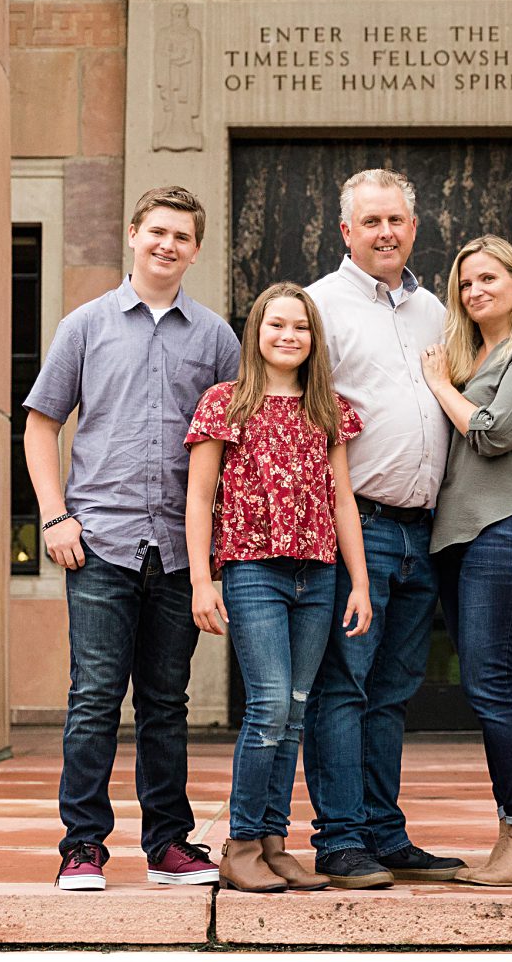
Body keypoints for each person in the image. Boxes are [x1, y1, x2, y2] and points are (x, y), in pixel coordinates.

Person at [21, 185, 239, 891]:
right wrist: (55, 516)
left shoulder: (215, 338)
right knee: (93, 698)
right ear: (133, 234)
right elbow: (41, 424)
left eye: (182, 237)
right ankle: (81, 847)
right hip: (101, 542)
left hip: (179, 547)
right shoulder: (84, 326)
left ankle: (169, 844)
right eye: (158, 232)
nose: (167, 245)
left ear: (195, 250)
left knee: (165, 703)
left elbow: (231, 444)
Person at [300, 168, 466, 889]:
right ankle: (340, 839)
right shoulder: (318, 305)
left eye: (396, 220)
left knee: (393, 692)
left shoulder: (436, 309)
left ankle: (384, 832)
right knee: (343, 687)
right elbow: (299, 414)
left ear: (414, 227)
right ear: (346, 231)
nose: (386, 232)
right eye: (371, 222)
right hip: (353, 529)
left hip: (420, 531)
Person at [183, 282, 374, 893]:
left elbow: (343, 499)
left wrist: (360, 583)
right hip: (253, 570)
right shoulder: (226, 403)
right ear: (256, 333)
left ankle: (272, 840)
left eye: (300, 327)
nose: (288, 336)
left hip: (317, 575)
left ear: (314, 339)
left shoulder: (327, 409)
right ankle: (240, 842)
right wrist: (200, 581)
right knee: (267, 706)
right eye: (276, 325)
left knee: (294, 712)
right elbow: (199, 497)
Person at [418, 234, 512, 887]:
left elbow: (494, 431)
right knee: (487, 685)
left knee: (492, 686)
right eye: (466, 285)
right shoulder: (470, 354)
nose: (476, 292)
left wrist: (437, 385)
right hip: (460, 537)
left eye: (487, 279)